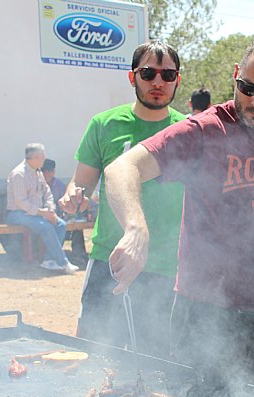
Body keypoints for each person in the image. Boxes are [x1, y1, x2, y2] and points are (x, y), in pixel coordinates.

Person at [103, 35, 254, 392]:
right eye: (247, 87)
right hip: (203, 312)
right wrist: (136, 229)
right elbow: (122, 169)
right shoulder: (203, 131)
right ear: (235, 75)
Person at [58, 41, 186, 357]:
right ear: (133, 78)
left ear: (177, 81)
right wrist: (74, 194)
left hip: (166, 266)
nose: (158, 82)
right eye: (148, 73)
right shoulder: (104, 124)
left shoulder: (187, 131)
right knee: (94, 356)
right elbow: (82, 181)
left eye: (167, 75)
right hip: (109, 259)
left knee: (155, 364)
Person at [6, 143, 78, 274]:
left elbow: (47, 192)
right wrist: (42, 213)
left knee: (60, 224)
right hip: (17, 214)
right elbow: (20, 202)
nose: (44, 159)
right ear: (34, 157)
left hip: (35, 214)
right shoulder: (19, 174)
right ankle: (64, 262)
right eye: (42, 156)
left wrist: (50, 210)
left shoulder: (38, 172)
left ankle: (49, 260)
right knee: (46, 226)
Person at [42, 158, 88, 263]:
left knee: (76, 228)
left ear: (53, 172)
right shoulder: (39, 184)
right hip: (45, 217)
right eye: (46, 171)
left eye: (50, 171)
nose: (48, 174)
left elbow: (67, 203)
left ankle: (79, 255)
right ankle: (54, 257)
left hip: (59, 217)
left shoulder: (59, 186)